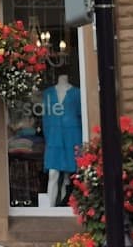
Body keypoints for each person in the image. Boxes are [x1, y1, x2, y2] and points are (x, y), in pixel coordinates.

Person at [41, 74, 81, 206]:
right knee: (53, 173)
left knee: (70, 175)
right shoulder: (47, 94)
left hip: (72, 136)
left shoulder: (77, 93)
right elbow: (45, 117)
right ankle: (50, 207)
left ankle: (69, 205)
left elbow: (82, 116)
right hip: (54, 137)